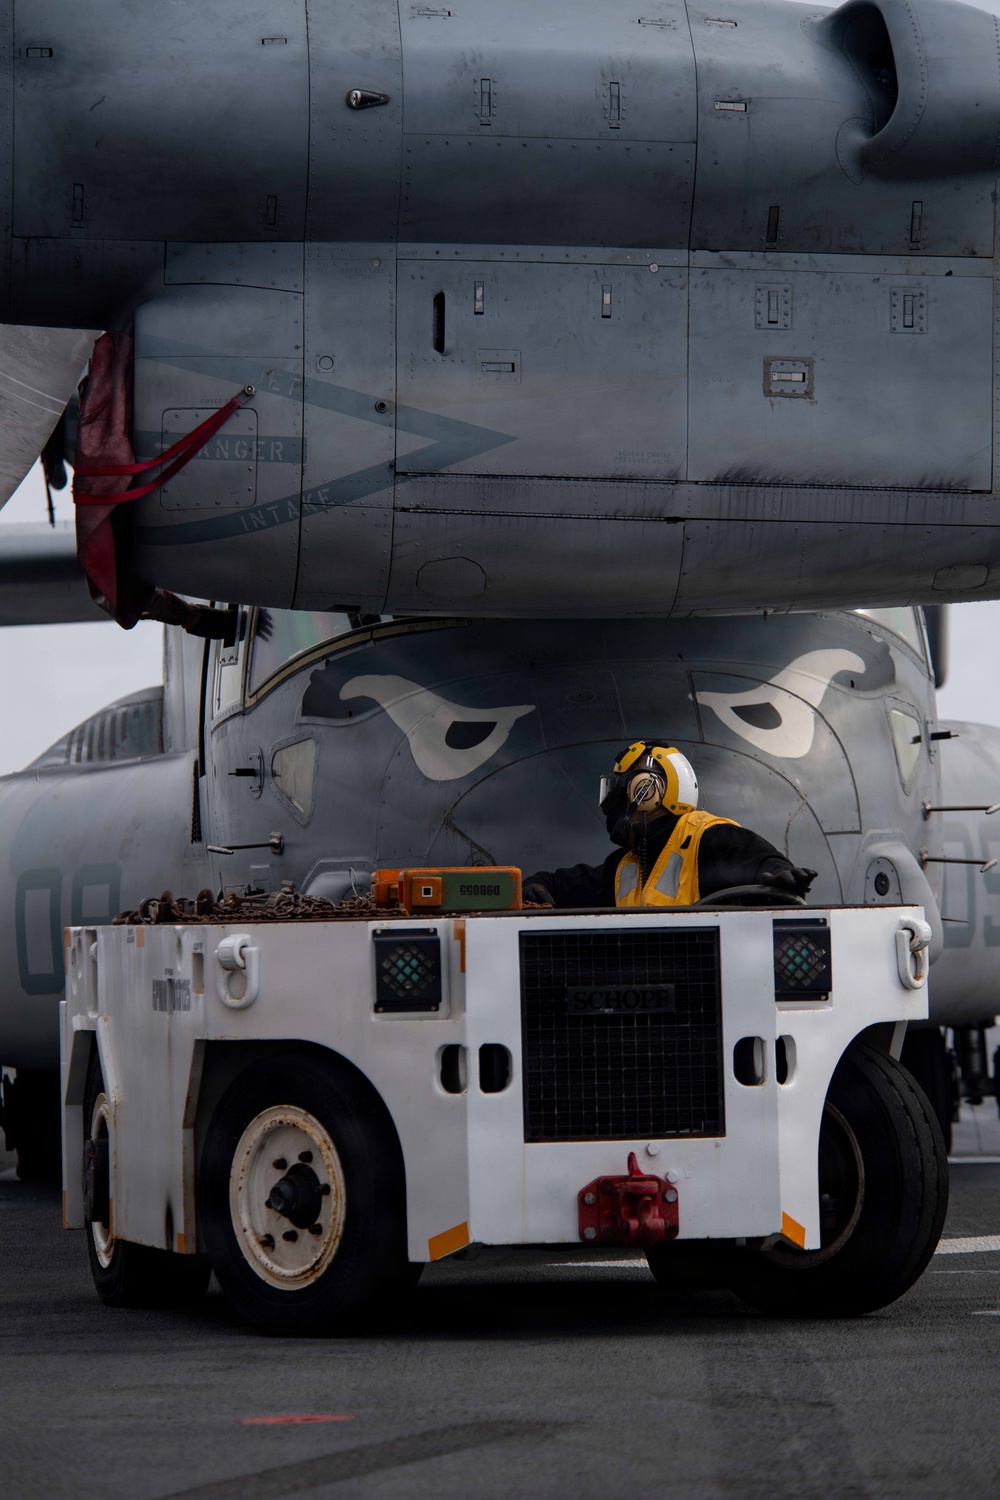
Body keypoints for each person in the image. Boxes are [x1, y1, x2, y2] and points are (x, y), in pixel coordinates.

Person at [523, 740, 816, 908]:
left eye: (618, 790)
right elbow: (567, 884)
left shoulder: (711, 837)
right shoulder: (625, 865)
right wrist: (535, 887)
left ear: (647, 791)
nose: (609, 803)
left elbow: (764, 864)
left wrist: (783, 877)